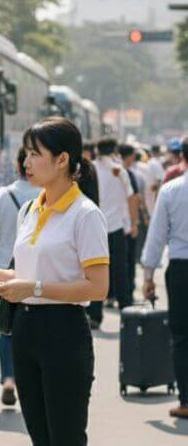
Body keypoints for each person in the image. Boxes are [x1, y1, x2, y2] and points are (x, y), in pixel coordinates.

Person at [0, 118, 109, 446]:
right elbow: (28, 274)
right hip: (26, 332)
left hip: (64, 334)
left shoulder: (86, 214)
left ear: (62, 160)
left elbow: (97, 286)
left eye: (34, 154)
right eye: (26, 154)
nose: (26, 162)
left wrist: (35, 289)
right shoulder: (31, 209)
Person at [0, 147, 40, 406]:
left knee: (6, 329)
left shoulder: (1, 195)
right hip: (36, 275)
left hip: (3, 270)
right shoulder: (45, 196)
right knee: (35, 329)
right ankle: (33, 382)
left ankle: (8, 378)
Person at [141, 137, 188, 419]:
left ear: (181, 157)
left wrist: (148, 276)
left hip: (181, 268)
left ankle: (186, 400)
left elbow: (157, 235)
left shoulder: (171, 190)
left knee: (182, 336)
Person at [91, 138, 135, 326]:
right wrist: (133, 224)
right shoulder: (119, 170)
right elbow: (131, 197)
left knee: (94, 272)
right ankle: (127, 310)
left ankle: (94, 315)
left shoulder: (90, 169)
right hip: (116, 227)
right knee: (120, 271)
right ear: (114, 151)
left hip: (94, 228)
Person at [120, 143, 148, 301]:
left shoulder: (112, 171)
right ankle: (128, 292)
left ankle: (113, 293)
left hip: (111, 224)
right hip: (127, 223)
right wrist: (136, 222)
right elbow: (135, 199)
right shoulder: (128, 174)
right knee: (129, 260)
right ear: (129, 156)